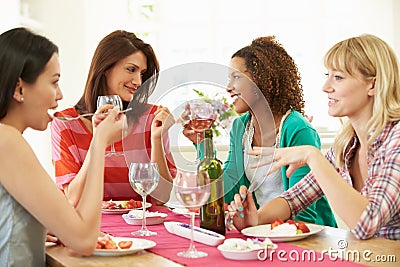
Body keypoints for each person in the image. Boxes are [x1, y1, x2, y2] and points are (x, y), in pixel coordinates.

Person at [230, 34, 400, 240]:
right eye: (328, 75)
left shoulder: (396, 141)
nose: (326, 87)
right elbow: (295, 198)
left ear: (372, 85)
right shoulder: (347, 144)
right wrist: (256, 219)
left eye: (338, 77)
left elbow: (367, 223)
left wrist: (313, 156)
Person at [0, 27, 124, 266]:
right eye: (54, 82)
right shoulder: (8, 141)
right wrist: (99, 144)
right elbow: (85, 241)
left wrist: (39, 226)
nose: (59, 95)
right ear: (19, 89)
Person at [184, 36, 336, 227]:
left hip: (304, 235)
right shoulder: (241, 128)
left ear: (264, 79)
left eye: (236, 77)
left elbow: (304, 214)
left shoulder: (297, 129)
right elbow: (226, 191)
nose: (228, 87)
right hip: (261, 229)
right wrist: (202, 143)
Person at [51, 30, 176, 206]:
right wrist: (99, 141)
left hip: (144, 227)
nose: (138, 82)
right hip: (92, 229)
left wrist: (156, 138)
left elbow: (162, 198)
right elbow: (73, 199)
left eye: (142, 74)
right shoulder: (66, 124)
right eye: (131, 70)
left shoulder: (153, 118)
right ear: (105, 68)